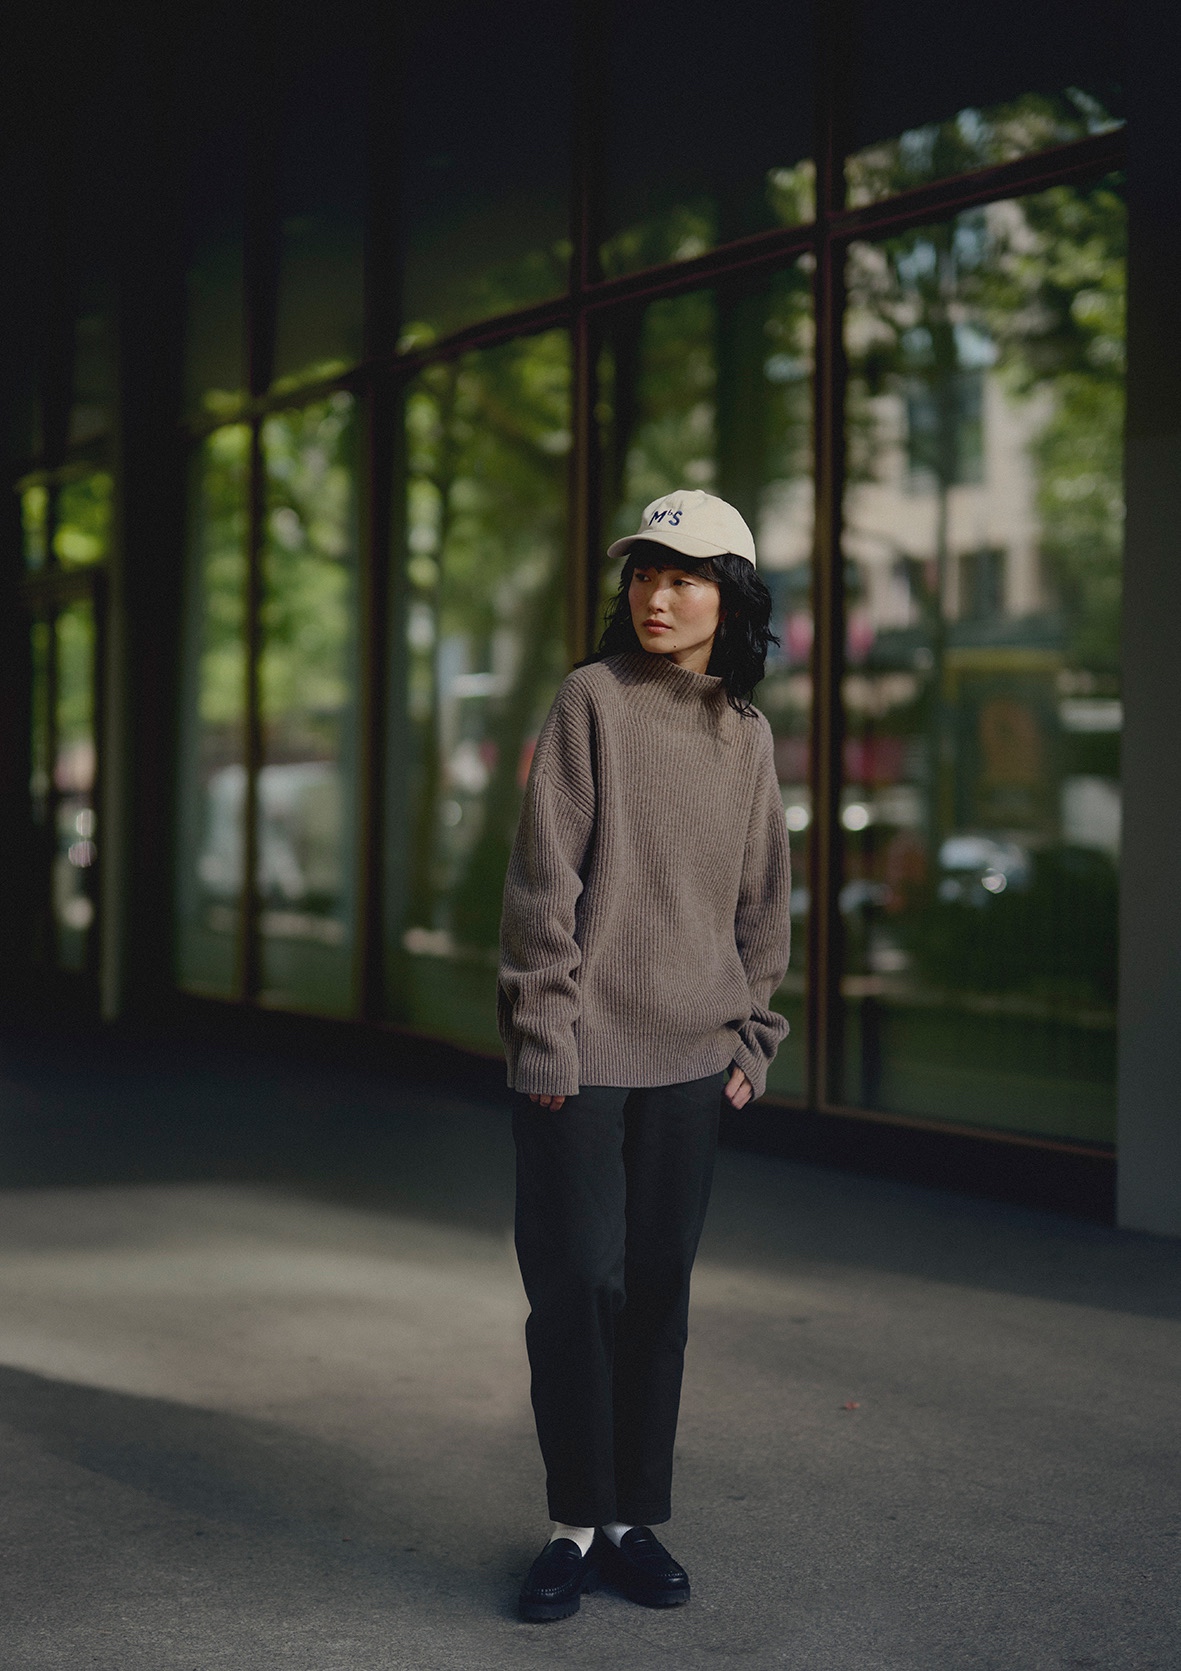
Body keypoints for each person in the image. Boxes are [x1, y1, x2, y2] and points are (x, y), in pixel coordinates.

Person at [497, 489, 792, 1623]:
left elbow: (763, 900)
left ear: (731, 598)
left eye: (682, 578)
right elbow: (543, 886)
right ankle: (572, 1523)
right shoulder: (592, 700)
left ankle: (630, 1519)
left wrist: (752, 1030)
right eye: (642, 575)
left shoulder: (745, 733)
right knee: (576, 1280)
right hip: (578, 1050)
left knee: (657, 1290)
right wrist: (543, 1032)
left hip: (692, 1055)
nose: (654, 597)